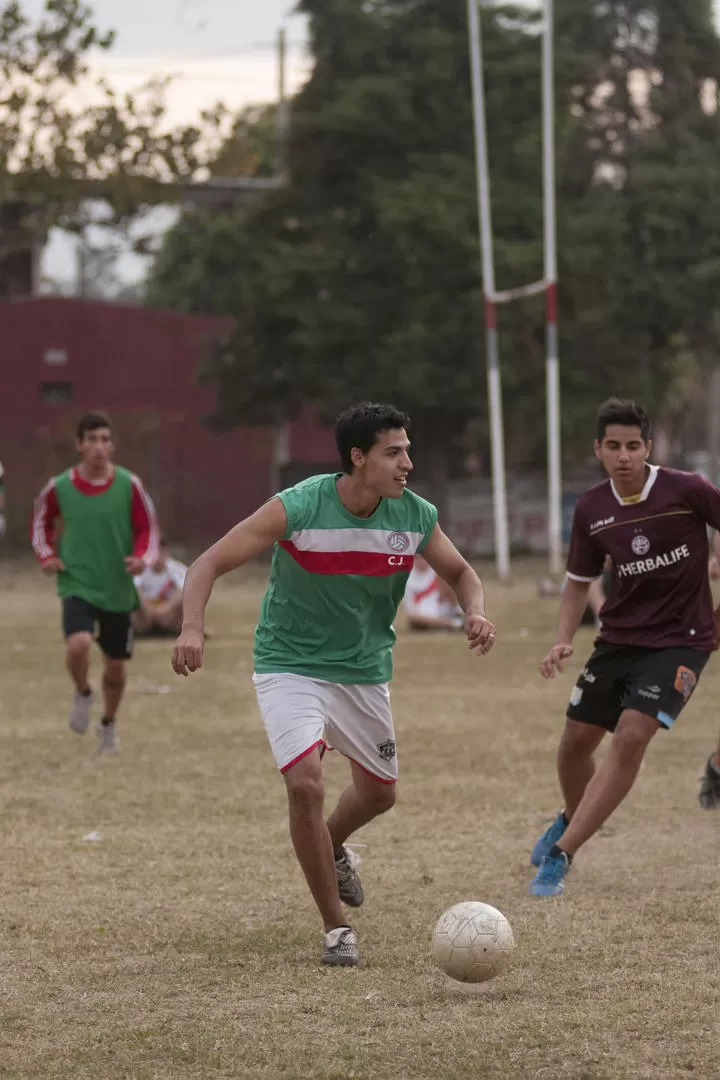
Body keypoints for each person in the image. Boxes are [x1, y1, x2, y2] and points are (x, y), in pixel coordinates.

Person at [172, 403, 497, 966]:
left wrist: (474, 611)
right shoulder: (300, 505)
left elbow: (462, 572)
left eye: (407, 451)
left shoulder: (414, 516)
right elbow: (205, 564)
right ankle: (335, 928)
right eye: (393, 453)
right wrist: (192, 628)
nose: (407, 464)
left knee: (379, 794)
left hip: (363, 670)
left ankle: (333, 844)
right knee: (305, 785)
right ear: (358, 458)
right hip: (289, 663)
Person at [531, 396, 720, 896]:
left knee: (632, 735)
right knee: (574, 746)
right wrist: (561, 640)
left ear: (648, 447)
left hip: (682, 641)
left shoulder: (689, 490)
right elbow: (577, 581)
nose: (624, 456)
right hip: (618, 640)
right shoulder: (592, 508)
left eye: (633, 446)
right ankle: (572, 817)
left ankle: (561, 853)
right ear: (597, 449)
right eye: (613, 446)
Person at [31, 411, 159, 753]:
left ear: (113, 445)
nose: (99, 447)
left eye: (105, 440)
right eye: (92, 440)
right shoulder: (58, 487)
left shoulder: (129, 485)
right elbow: (41, 524)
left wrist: (142, 558)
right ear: (79, 445)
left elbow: (147, 528)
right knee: (79, 645)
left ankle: (108, 725)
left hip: (117, 586)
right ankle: (83, 692)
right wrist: (47, 557)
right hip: (77, 581)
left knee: (115, 666)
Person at [133, 539, 187, 637]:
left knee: (187, 600)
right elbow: (136, 590)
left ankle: (181, 629)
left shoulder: (177, 569)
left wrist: (166, 608)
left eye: (161, 552)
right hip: (147, 613)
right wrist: (150, 609)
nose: (158, 557)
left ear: (166, 553)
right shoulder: (141, 569)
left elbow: (184, 590)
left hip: (169, 614)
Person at [403, 552, 464, 631]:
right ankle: (454, 624)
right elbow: (411, 610)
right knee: (414, 619)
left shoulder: (438, 570)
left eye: (423, 558)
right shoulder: (407, 578)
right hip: (423, 613)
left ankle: (458, 614)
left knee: (448, 578)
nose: (421, 561)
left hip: (441, 606)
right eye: (417, 558)